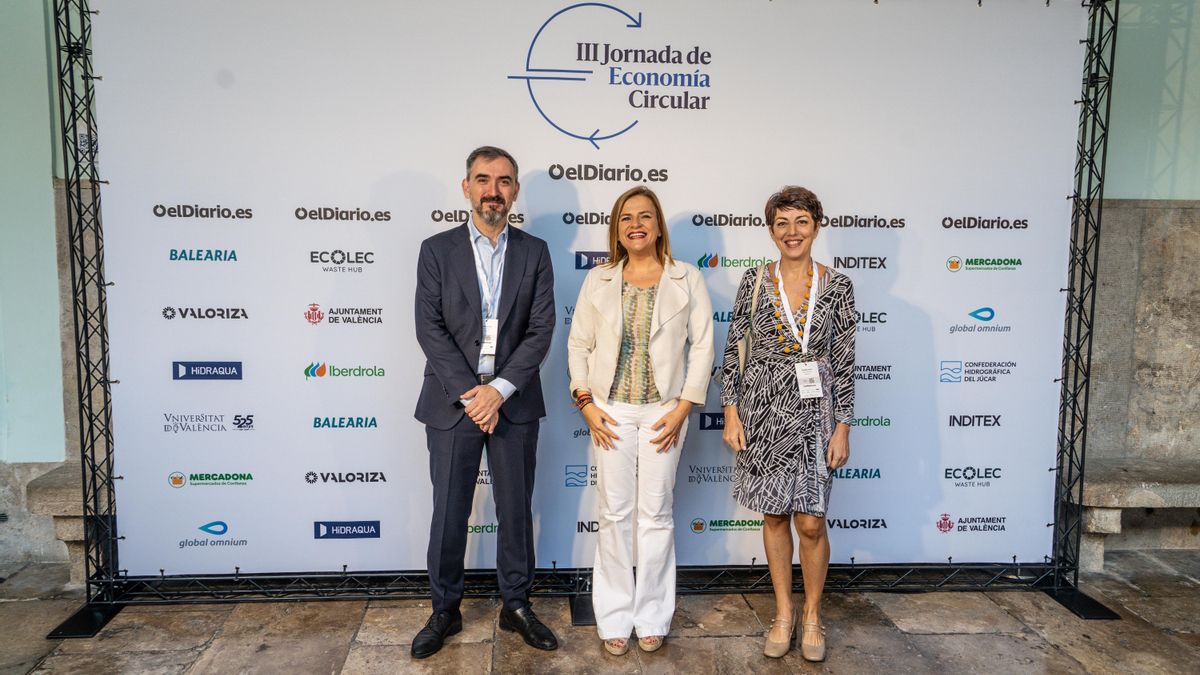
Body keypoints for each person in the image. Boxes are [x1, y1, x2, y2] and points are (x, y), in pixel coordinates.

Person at [411, 146, 557, 659]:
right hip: (453, 403)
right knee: (449, 511)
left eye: (503, 181)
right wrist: (473, 394)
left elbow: (541, 331)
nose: (493, 190)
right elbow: (428, 327)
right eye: (483, 180)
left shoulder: (535, 251)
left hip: (514, 402)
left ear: (515, 191)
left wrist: (499, 390)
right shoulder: (437, 249)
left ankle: (516, 605)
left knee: (515, 511)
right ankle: (444, 609)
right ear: (466, 187)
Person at [567, 186, 715, 656]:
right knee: (613, 515)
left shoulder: (686, 278)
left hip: (663, 412)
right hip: (609, 409)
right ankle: (613, 616)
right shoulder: (600, 279)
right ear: (617, 227)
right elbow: (578, 346)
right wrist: (586, 403)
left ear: (658, 225)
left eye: (645, 216)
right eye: (627, 217)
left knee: (656, 516)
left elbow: (704, 347)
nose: (636, 224)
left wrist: (684, 408)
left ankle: (652, 616)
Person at [719, 186, 855, 661]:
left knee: (812, 523)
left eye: (801, 221)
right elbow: (734, 351)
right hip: (763, 412)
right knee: (775, 515)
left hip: (815, 416)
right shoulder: (754, 281)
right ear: (771, 229)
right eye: (782, 223)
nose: (792, 232)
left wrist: (843, 425)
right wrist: (731, 410)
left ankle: (813, 615)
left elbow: (845, 359)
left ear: (816, 226)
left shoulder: (837, 285)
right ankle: (783, 613)